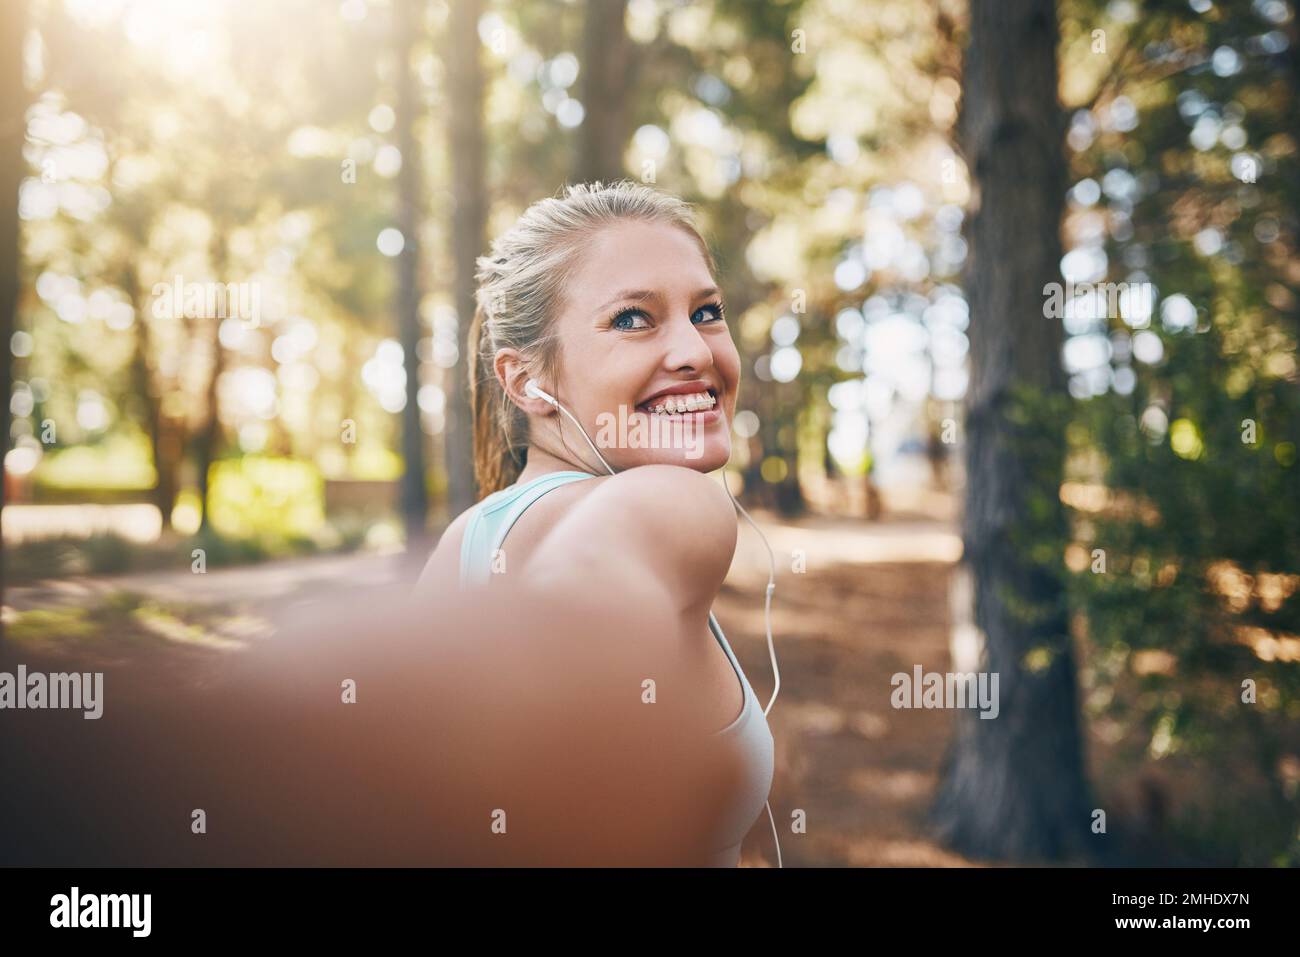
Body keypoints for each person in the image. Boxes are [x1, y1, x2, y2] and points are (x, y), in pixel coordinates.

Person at [412, 180, 776, 866]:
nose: (695, 351)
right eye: (633, 319)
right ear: (525, 382)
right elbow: (588, 581)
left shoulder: (468, 541)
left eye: (707, 311)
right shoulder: (673, 498)